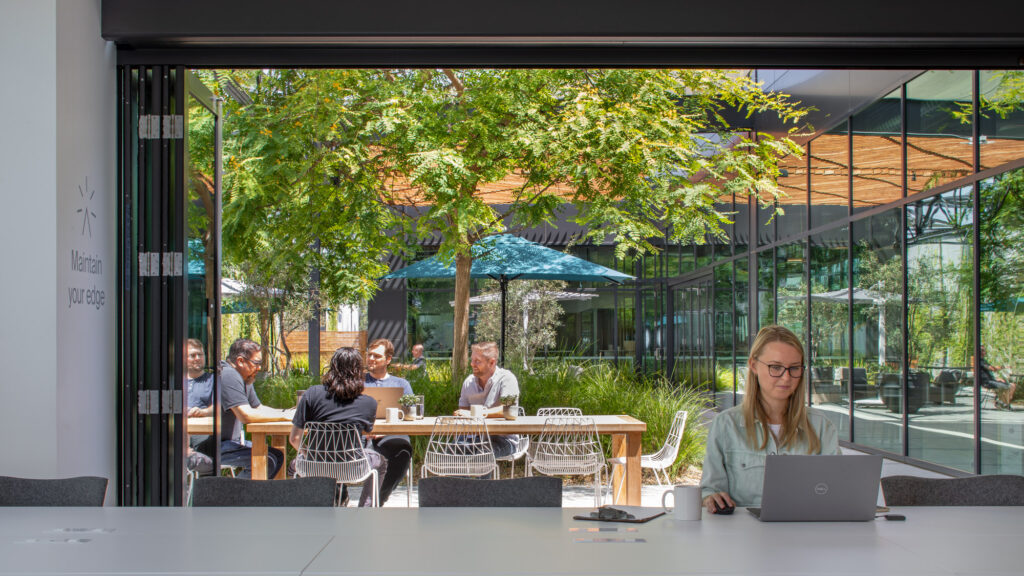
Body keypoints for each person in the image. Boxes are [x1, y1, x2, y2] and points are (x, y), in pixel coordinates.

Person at [700, 325, 839, 512]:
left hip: (805, 534)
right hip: (743, 535)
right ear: (754, 365)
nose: (786, 377)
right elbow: (710, 489)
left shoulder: (821, 426)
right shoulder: (726, 425)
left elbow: (837, 491)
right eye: (776, 367)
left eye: (794, 368)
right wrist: (710, 498)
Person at [291, 347, 386, 507]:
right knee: (381, 462)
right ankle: (365, 510)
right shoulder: (369, 403)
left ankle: (306, 508)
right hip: (353, 467)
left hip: (315, 466)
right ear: (359, 372)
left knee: (294, 466)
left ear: (332, 367)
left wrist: (308, 453)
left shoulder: (311, 394)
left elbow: (294, 439)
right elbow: (367, 432)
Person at [197, 338, 287, 479]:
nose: (259, 368)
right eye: (256, 363)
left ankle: (247, 496)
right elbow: (245, 416)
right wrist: (285, 417)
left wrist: (286, 412)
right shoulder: (228, 375)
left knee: (276, 456)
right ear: (240, 361)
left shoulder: (244, 377)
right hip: (213, 446)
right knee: (269, 460)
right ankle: (234, 498)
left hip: (231, 443)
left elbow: (258, 408)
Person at [363, 338, 414, 504]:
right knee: (336, 446)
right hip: (361, 434)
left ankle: (378, 499)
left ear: (388, 359)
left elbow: (410, 414)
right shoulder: (357, 382)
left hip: (391, 435)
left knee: (403, 450)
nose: (371, 359)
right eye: (369, 355)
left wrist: (387, 430)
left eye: (376, 356)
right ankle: (341, 496)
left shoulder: (401, 384)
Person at [455, 341, 521, 458]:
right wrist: (462, 415)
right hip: (474, 437)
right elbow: (463, 414)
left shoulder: (506, 379)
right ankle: (458, 477)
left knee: (483, 455)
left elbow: (508, 410)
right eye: (472, 360)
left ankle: (480, 475)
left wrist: (475, 414)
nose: (472, 364)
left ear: (491, 362)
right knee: (452, 451)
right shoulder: (468, 383)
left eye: (477, 361)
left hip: (502, 438)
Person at [184, 338, 215, 474]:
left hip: (203, 436)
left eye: (200, 355)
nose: (197, 358)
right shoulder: (173, 382)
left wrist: (203, 412)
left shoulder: (213, 380)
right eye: (192, 355)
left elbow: (220, 408)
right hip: (179, 434)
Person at [980, 345, 1017, 410]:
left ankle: (1002, 402)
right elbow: (992, 368)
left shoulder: (983, 360)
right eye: (982, 350)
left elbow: (992, 369)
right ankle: (1003, 403)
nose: (984, 352)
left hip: (991, 380)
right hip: (987, 382)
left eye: (984, 350)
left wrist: (1004, 368)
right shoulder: (979, 361)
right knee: (1008, 386)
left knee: (1012, 385)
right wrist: (1002, 368)